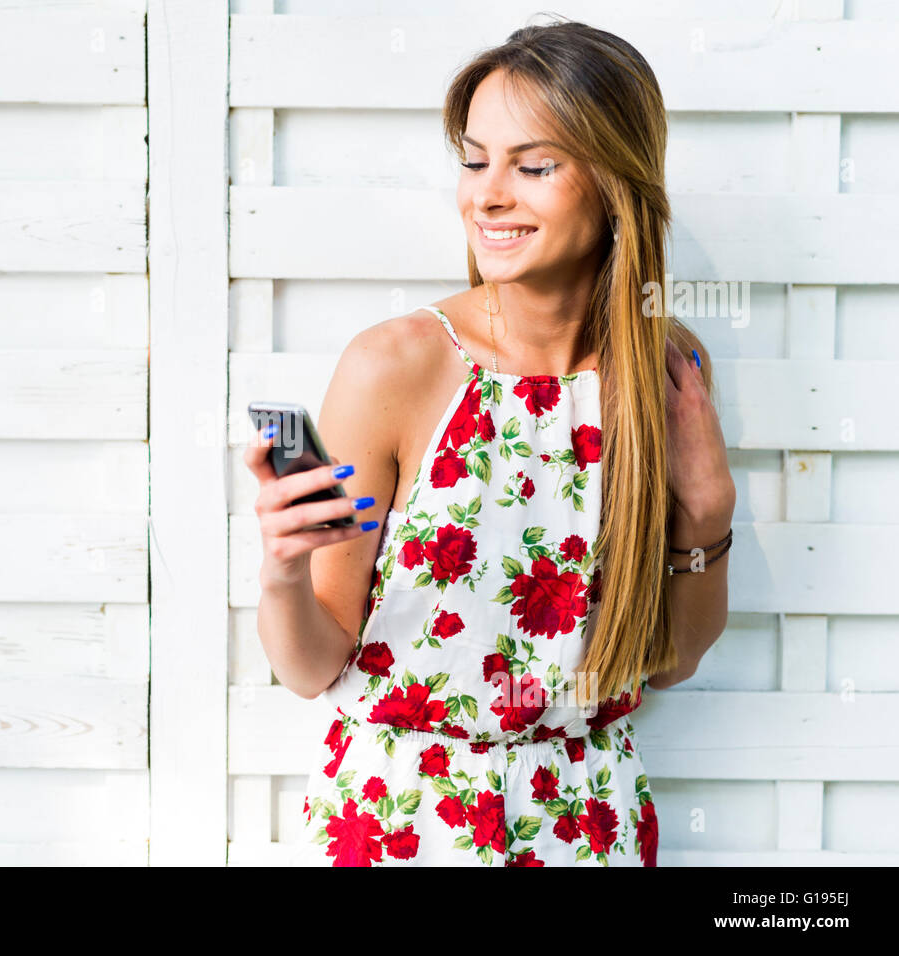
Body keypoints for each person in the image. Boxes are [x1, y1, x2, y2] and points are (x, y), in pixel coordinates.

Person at [243, 18, 735, 866]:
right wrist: (283, 570)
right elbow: (311, 666)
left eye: (534, 165)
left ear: (617, 182)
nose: (488, 194)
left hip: (589, 819)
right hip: (404, 820)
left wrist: (706, 509)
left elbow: (671, 664)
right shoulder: (395, 365)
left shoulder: (668, 365)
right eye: (475, 160)